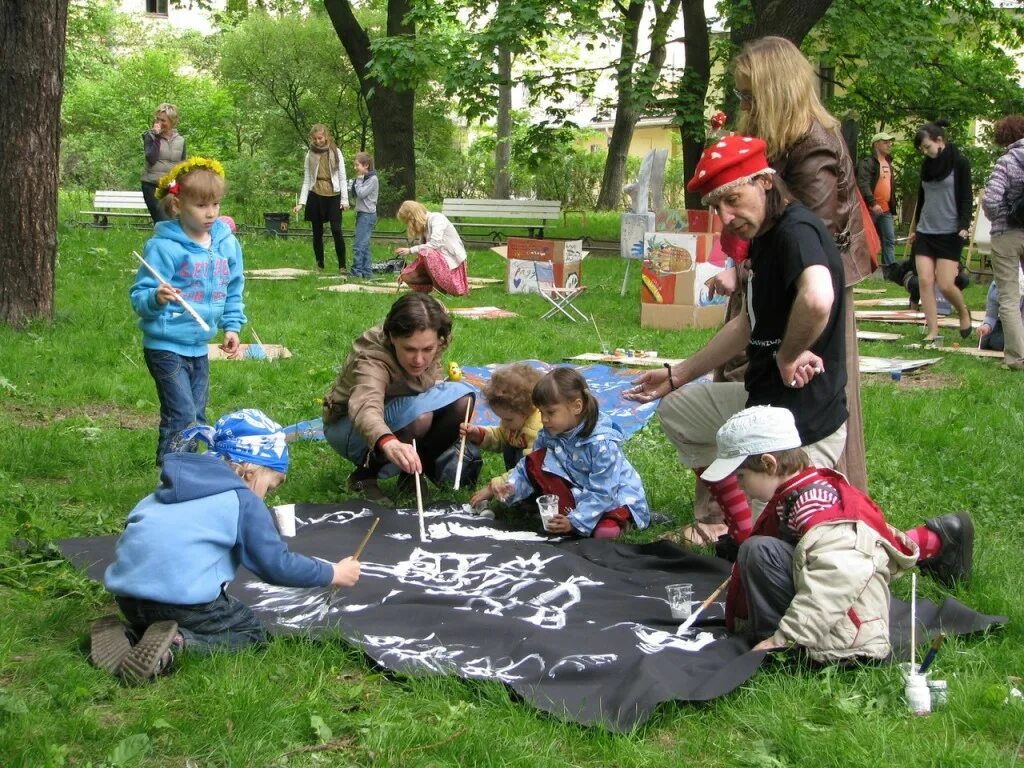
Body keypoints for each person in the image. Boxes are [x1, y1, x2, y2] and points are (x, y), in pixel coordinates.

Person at [625, 135, 846, 557]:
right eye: (715, 206)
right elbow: (750, 323)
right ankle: (728, 522)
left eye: (732, 198)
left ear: (765, 181)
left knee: (784, 552)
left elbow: (817, 298)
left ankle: (928, 543)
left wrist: (787, 354)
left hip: (799, 423)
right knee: (680, 412)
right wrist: (678, 375)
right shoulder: (766, 232)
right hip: (759, 400)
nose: (725, 216)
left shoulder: (796, 231)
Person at [93, 410, 361, 682]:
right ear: (250, 471)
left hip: (128, 596)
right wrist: (333, 572)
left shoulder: (170, 487)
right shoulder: (242, 500)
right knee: (249, 632)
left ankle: (131, 634)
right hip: (181, 603)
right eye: (270, 486)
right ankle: (176, 646)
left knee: (169, 610)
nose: (267, 496)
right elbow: (276, 565)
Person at [703, 406, 973, 659]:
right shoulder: (796, 493)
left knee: (758, 550)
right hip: (836, 614)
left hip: (849, 635)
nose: (739, 486)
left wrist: (784, 638)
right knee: (759, 550)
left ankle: (783, 651)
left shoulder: (814, 505)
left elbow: (839, 576)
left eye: (741, 477)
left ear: (769, 464)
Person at [734, 36, 871, 499]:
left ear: (776, 90)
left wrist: (753, 274)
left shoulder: (813, 143)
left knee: (811, 404)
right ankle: (742, 504)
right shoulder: (784, 138)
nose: (745, 105)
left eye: (750, 95)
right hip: (778, 284)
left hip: (809, 292)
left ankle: (823, 506)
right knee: (754, 384)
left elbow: (811, 240)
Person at [129, 157, 245, 464]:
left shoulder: (226, 244)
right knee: (181, 416)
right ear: (178, 205)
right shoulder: (164, 247)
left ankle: (186, 475)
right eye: (201, 206)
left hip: (199, 345)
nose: (210, 213)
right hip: (165, 345)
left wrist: (232, 327)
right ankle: (173, 478)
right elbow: (139, 296)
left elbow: (233, 288)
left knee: (196, 415)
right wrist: (157, 297)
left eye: (216, 204)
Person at [322, 293, 477, 501]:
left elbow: (434, 368)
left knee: (461, 400)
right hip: (349, 427)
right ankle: (364, 475)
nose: (419, 359)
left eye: (427, 349)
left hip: (405, 407)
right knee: (420, 416)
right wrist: (388, 442)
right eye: (409, 349)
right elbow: (365, 406)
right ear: (392, 337)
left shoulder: (437, 333)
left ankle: (412, 473)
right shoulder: (373, 356)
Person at [489, 368, 650, 540]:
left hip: (612, 498)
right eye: (541, 412)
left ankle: (623, 521)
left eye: (550, 412)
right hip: (577, 491)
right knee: (536, 461)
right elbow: (528, 467)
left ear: (576, 406)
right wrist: (512, 486)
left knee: (604, 533)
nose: (544, 419)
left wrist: (575, 521)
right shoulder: (548, 434)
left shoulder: (601, 443)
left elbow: (603, 491)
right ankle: (570, 516)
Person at [908, 121, 974, 342]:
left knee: (945, 284)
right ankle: (933, 330)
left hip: (950, 232)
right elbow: (923, 197)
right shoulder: (927, 166)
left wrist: (964, 225)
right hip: (926, 231)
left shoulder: (960, 163)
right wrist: (917, 227)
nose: (925, 152)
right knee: (925, 281)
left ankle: (963, 312)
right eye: (922, 150)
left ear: (939, 140)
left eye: (927, 147)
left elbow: (966, 196)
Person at [461, 362, 544, 504]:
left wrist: (495, 486)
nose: (504, 424)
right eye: (501, 418)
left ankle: (532, 501)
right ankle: (518, 495)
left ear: (527, 411)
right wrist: (478, 434)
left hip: (538, 477)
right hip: (523, 473)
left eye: (507, 419)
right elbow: (501, 436)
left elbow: (530, 468)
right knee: (510, 446)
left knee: (522, 456)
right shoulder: (514, 421)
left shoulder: (537, 431)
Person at [981, 114, 1024, 370]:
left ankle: (1016, 358)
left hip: (1006, 234)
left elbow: (991, 199)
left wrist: (999, 216)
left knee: (1008, 297)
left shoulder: (1006, 162)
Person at [293, 124, 348, 273]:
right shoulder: (309, 154)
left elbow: (342, 178)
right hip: (316, 194)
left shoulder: (336, 152)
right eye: (315, 138)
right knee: (317, 232)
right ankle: (320, 265)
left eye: (321, 138)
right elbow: (307, 180)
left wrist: (345, 200)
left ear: (326, 136)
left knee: (336, 230)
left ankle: (342, 266)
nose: (318, 141)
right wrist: (301, 203)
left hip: (333, 195)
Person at [395, 200, 469, 296]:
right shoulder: (423, 227)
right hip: (437, 264)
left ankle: (438, 290)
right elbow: (422, 256)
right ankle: (436, 285)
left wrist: (410, 250)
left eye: (407, 221)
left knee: (428, 253)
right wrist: (407, 272)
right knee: (406, 276)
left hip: (451, 264)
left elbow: (434, 245)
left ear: (413, 217)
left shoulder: (437, 218)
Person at [856, 131, 898, 267]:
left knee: (890, 240)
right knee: (866, 240)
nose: (889, 144)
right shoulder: (867, 162)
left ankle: (889, 270)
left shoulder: (888, 163)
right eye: (885, 142)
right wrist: (873, 204)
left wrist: (894, 210)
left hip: (886, 210)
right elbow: (862, 184)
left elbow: (890, 189)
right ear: (876, 144)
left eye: (889, 142)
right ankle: (864, 269)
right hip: (870, 210)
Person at [141, 102, 186, 224]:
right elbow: (151, 158)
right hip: (152, 185)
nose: (159, 123)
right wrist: (156, 136)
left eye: (163, 120)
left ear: (172, 122)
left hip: (171, 186)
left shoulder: (180, 140)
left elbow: (183, 165)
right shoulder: (149, 136)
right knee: (162, 222)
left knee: (176, 222)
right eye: (158, 119)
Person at [979, 267, 1024, 352]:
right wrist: (986, 326)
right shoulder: (994, 288)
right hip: (1001, 323)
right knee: (985, 342)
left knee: (999, 342)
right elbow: (991, 316)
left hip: (1019, 325)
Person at [350, 152, 379, 279]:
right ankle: (367, 273)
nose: (355, 168)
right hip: (362, 214)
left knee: (359, 245)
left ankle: (356, 271)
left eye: (357, 165)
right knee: (364, 245)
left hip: (367, 216)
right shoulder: (366, 179)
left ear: (366, 165)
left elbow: (361, 193)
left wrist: (359, 179)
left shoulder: (372, 179)